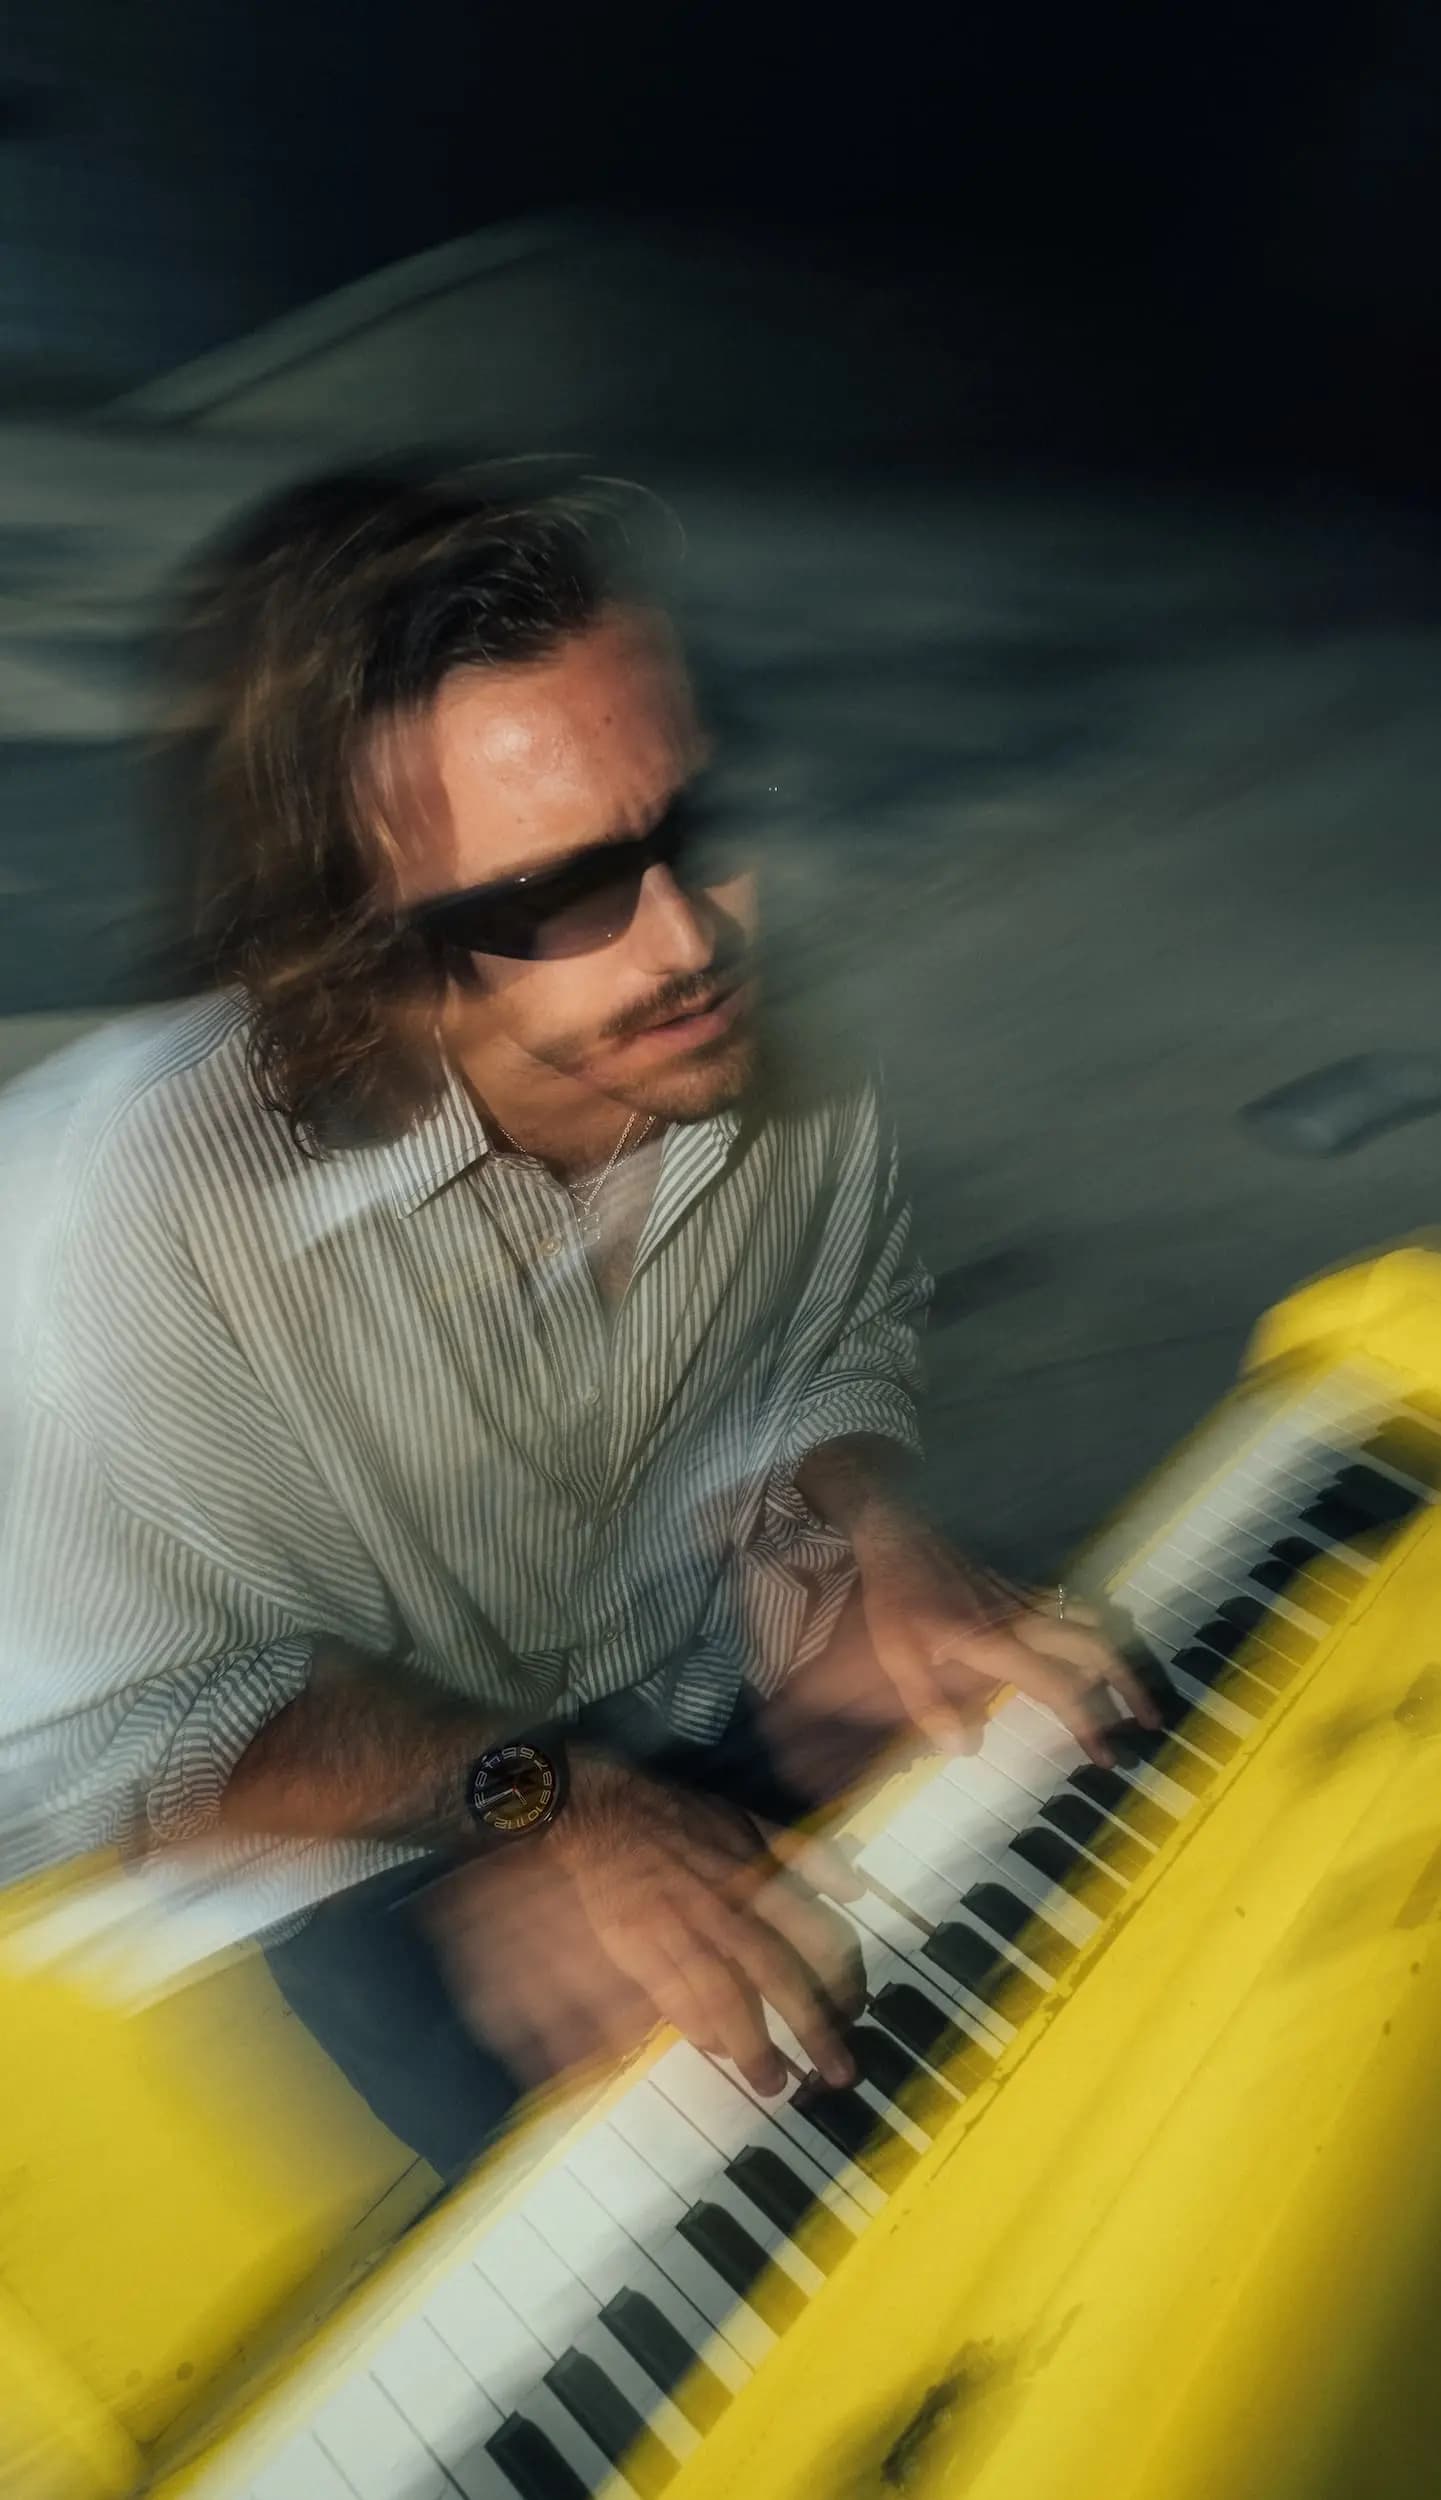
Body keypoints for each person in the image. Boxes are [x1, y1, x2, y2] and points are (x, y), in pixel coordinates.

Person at [0, 462, 1152, 2181]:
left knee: (1114, 1837)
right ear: (355, 951)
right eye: (560, 896)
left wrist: (845, 1536)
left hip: (662, 1637)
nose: (690, 939)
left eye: (686, 829)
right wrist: (558, 1806)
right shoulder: (112, 1244)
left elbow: (786, 1354)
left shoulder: (691, 1017)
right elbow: (139, 1740)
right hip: (369, 1811)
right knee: (740, 2222)